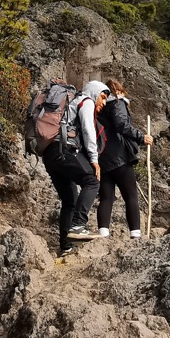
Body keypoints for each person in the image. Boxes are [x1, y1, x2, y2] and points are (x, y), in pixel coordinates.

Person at [42, 80, 108, 255]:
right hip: (63, 149)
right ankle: (78, 225)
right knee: (92, 180)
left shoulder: (73, 103)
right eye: (102, 96)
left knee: (70, 199)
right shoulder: (86, 101)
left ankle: (66, 246)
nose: (104, 102)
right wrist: (94, 160)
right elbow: (88, 131)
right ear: (94, 93)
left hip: (50, 155)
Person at [96, 78, 153, 239]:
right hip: (119, 157)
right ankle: (135, 234)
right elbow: (121, 124)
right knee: (131, 196)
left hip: (102, 158)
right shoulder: (117, 103)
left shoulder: (98, 109)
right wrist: (142, 137)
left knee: (106, 197)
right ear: (118, 91)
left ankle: (103, 234)